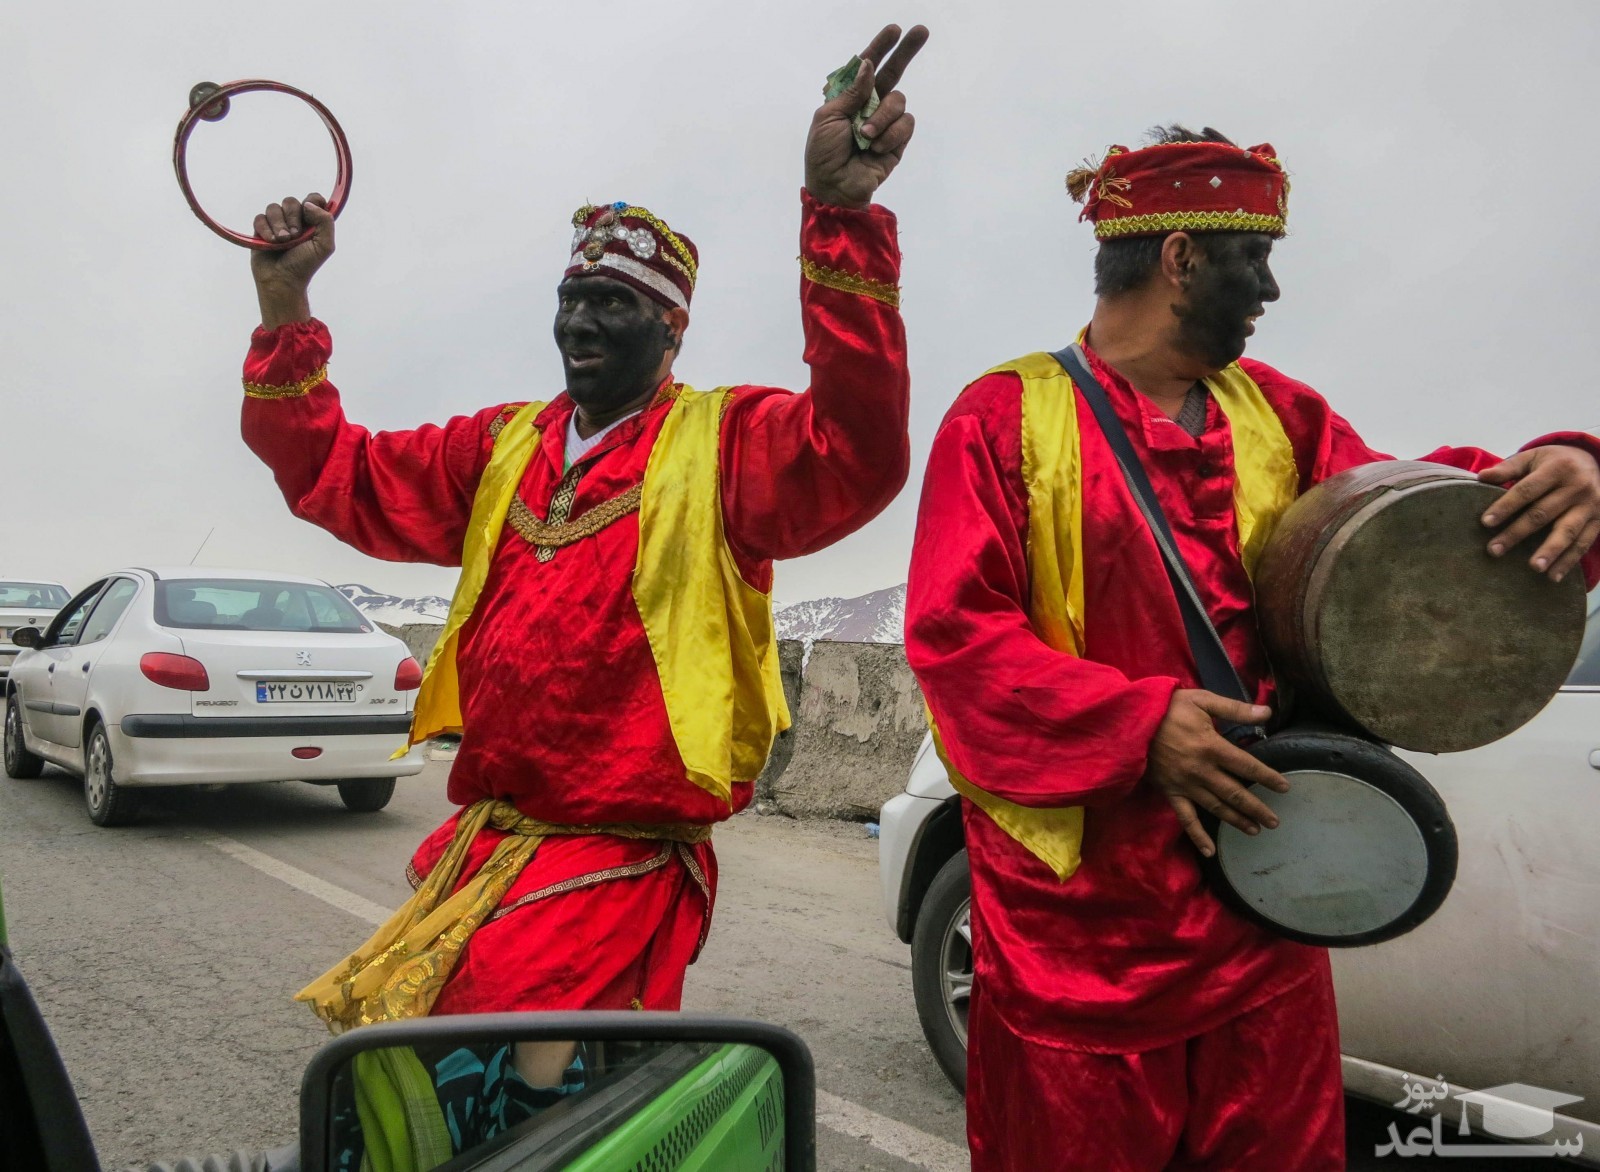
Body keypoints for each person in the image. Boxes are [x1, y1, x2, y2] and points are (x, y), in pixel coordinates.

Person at [904, 126, 1600, 1171]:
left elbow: (1400, 527)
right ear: (1180, 255)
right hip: (1080, 943)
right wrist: (1139, 725)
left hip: (1261, 920)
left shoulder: (1279, 413)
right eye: (1254, 257)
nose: (1269, 287)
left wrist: (1564, 471)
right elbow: (955, 638)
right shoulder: (1002, 418)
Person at [233, 24, 926, 1031]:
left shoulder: (724, 444)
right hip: (487, 845)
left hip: (613, 872)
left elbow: (856, 451)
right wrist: (284, 299)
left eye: (611, 302)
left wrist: (840, 215)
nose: (581, 324)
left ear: (672, 326)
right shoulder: (499, 447)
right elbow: (334, 472)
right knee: (421, 1084)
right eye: (570, 300)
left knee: (523, 1103)